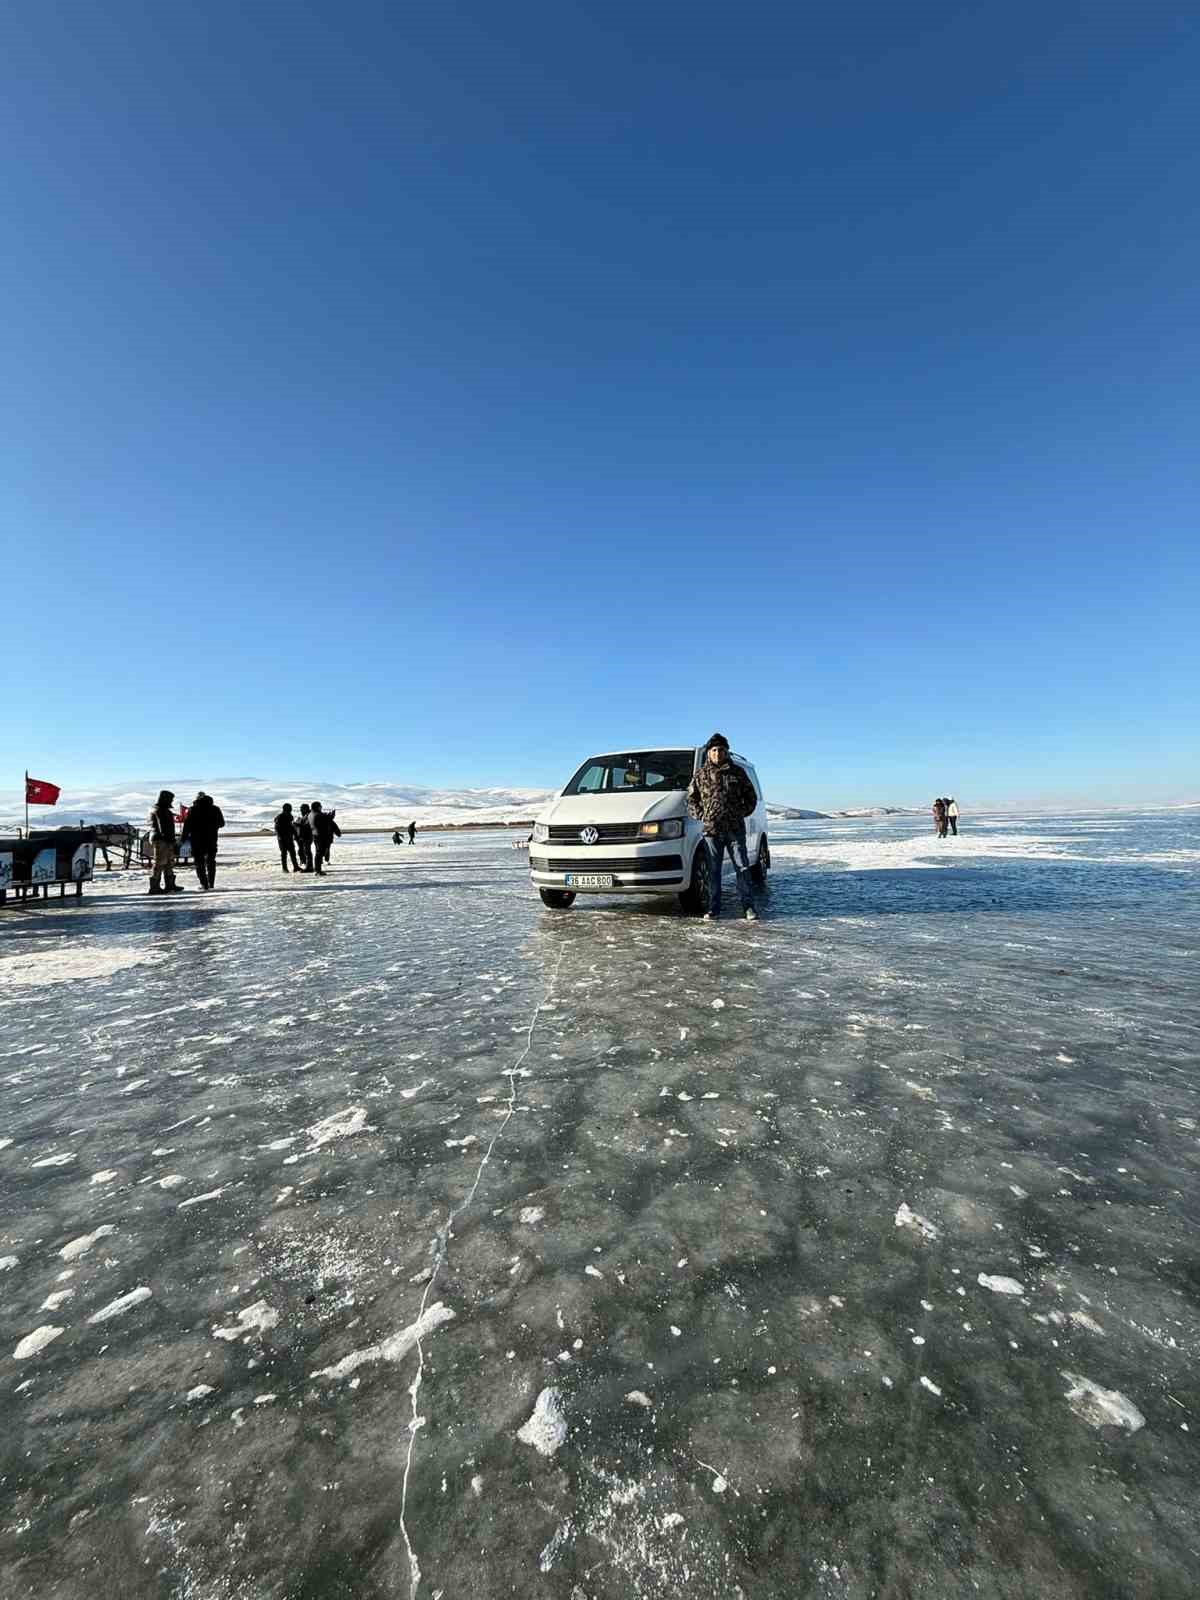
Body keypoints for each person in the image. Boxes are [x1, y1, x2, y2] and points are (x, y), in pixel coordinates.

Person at [686, 733, 759, 922]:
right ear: (709, 753)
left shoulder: (737, 773)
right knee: (714, 871)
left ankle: (748, 907)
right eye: (714, 750)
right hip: (712, 831)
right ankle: (714, 909)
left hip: (735, 829)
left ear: (727, 752)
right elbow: (691, 799)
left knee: (742, 868)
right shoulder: (700, 775)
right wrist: (702, 815)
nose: (718, 753)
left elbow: (751, 797)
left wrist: (740, 812)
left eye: (721, 750)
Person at [181, 791, 226, 889]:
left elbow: (187, 826)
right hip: (211, 839)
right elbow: (222, 823)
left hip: (196, 840)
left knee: (199, 863)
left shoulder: (192, 809)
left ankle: (204, 884)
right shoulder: (215, 809)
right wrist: (212, 826)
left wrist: (183, 839)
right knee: (211, 862)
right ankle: (211, 884)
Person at [148, 789, 183, 894]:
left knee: (168, 862)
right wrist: (172, 840)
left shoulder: (163, 810)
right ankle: (155, 887)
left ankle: (170, 885)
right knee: (159, 863)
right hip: (161, 839)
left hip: (166, 839)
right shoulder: (159, 810)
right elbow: (163, 827)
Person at [310, 802, 341, 875]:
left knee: (319, 853)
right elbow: (326, 820)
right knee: (319, 853)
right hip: (321, 836)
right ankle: (318, 870)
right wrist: (331, 816)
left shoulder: (310, 814)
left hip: (315, 835)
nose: (321, 807)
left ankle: (318, 869)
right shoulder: (318, 815)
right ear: (317, 807)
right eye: (320, 806)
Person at [274, 803, 301, 873]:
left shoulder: (289, 816)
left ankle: (296, 867)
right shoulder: (280, 817)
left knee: (293, 853)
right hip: (282, 839)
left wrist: (295, 835)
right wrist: (280, 837)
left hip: (289, 838)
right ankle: (284, 868)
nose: (291, 809)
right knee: (284, 853)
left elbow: (291, 827)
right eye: (289, 808)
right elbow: (277, 828)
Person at [296, 804, 314, 871]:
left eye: (302, 809)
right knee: (306, 851)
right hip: (305, 836)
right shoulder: (306, 815)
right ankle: (308, 866)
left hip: (307, 836)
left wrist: (297, 824)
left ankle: (309, 867)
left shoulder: (308, 816)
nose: (301, 811)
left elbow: (307, 826)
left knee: (307, 852)